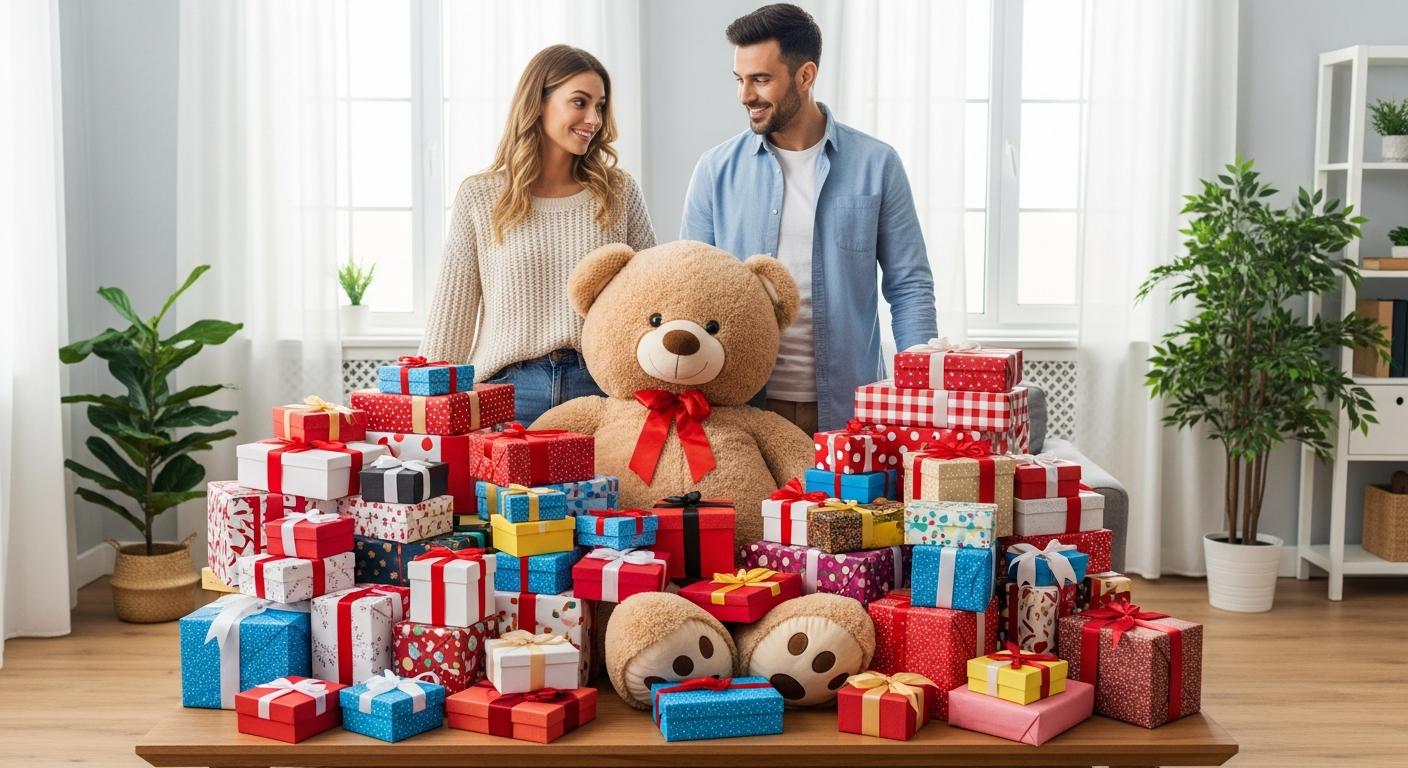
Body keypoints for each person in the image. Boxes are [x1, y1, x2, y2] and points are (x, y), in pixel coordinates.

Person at [680, 4, 937, 434]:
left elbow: (910, 286)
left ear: (805, 75)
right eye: (740, 80)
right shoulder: (714, 170)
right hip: (742, 411)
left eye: (761, 79)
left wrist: (921, 390)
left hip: (848, 410)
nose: (745, 96)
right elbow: (690, 292)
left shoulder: (877, 164)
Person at [420, 44, 656, 425]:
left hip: (597, 390)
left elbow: (652, 300)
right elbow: (452, 317)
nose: (594, 119)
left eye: (599, 106)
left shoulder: (619, 191)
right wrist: (421, 413)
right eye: (579, 102)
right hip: (505, 392)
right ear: (539, 103)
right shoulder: (480, 196)